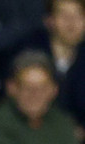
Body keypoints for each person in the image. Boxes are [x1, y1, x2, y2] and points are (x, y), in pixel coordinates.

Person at [23, 0, 85, 128]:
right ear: (49, 20)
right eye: (64, 15)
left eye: (79, 15)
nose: (71, 23)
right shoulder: (28, 54)